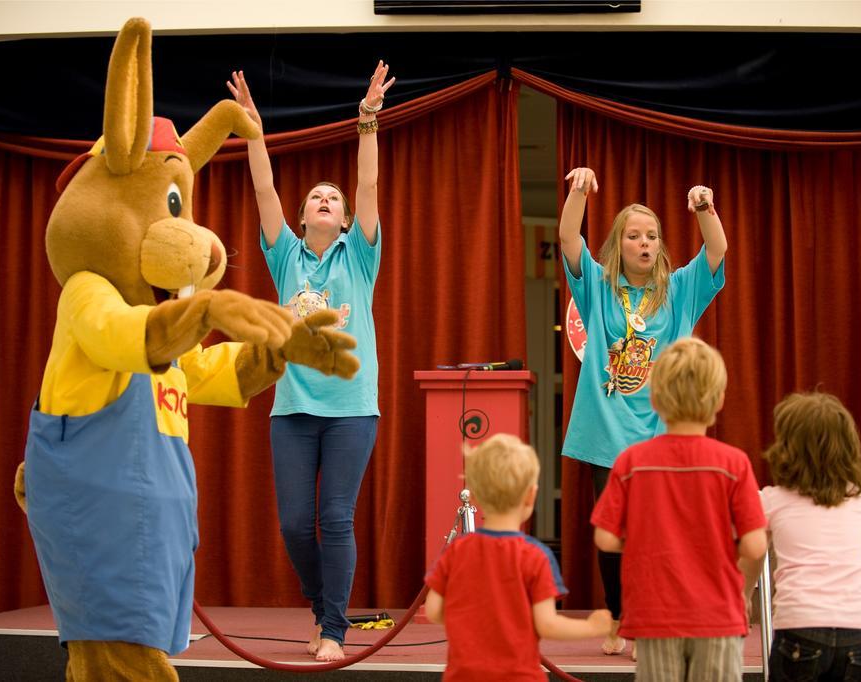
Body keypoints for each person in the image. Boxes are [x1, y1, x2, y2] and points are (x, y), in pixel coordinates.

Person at [227, 61, 395, 662]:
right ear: (301, 219)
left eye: (334, 199)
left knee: (336, 517)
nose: (325, 200)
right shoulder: (285, 258)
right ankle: (324, 602)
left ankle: (332, 630)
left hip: (352, 408)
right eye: (316, 198)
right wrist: (253, 131)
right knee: (296, 525)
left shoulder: (360, 257)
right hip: (293, 408)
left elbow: (369, 186)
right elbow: (263, 190)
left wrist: (367, 121)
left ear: (345, 220)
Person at [559, 167, 728, 658]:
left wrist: (704, 210)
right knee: (613, 532)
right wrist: (577, 191)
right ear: (618, 246)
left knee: (655, 533)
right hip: (604, 430)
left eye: (652, 236)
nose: (644, 243)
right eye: (633, 236)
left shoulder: (679, 290)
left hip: (660, 431)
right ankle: (618, 617)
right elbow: (570, 236)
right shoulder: (596, 285)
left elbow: (716, 253)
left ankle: (649, 616)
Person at [590, 337, 768, 682]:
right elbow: (755, 546)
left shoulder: (631, 463)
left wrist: (647, 540)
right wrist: (743, 593)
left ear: (654, 399)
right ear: (718, 401)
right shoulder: (734, 464)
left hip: (656, 618)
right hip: (718, 616)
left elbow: (606, 539)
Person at [424, 434, 614, 680]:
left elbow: (434, 610)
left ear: (477, 496)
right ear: (530, 496)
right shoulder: (536, 556)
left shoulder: (457, 551)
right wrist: (591, 627)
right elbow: (547, 624)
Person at [746, 392, 861, 681]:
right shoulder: (858, 500)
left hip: (801, 625)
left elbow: (754, 554)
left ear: (787, 448)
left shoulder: (773, 500)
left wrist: (743, 596)